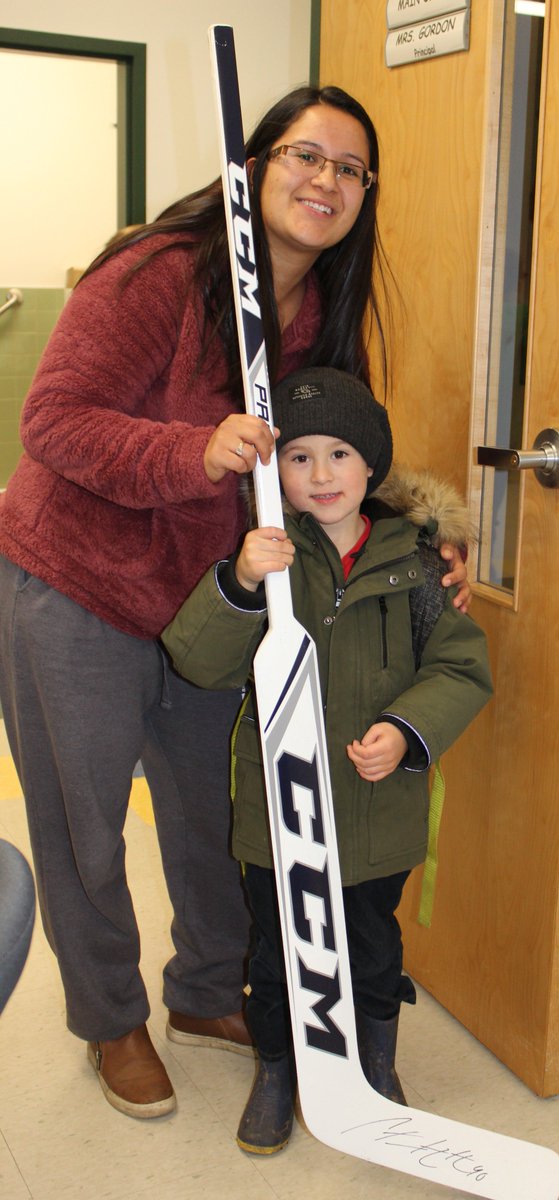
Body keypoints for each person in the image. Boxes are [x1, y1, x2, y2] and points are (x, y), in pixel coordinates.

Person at [0, 84, 470, 1120]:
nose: (325, 181)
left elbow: (333, 461)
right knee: (86, 828)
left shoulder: (323, 311)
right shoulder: (157, 272)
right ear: (254, 166)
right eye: (306, 156)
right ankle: (110, 1018)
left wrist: (419, 534)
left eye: (349, 169)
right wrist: (190, 449)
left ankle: (207, 993)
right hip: (75, 583)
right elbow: (52, 421)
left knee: (223, 815)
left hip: (214, 607)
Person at [162, 366, 493, 1154]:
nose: (320, 474)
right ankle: (278, 1070)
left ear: (371, 466)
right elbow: (197, 662)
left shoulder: (418, 564)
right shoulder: (269, 557)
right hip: (280, 815)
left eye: (339, 454)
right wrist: (241, 582)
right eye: (299, 457)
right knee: (276, 955)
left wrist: (407, 730)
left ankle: (375, 1069)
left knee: (371, 947)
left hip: (378, 816)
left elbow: (461, 669)